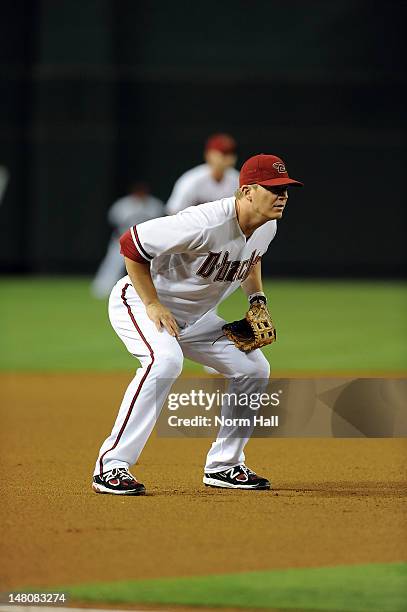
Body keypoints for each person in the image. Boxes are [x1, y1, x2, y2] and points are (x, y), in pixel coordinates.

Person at [92, 154, 303, 495]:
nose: (283, 196)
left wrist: (257, 299)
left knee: (253, 369)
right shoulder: (204, 222)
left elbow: (252, 260)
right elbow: (131, 243)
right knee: (165, 362)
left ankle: (224, 465)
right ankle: (111, 466)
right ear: (247, 191)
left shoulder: (268, 225)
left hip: (196, 319)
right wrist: (152, 303)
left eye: (286, 189)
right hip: (140, 304)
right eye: (274, 188)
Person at [91, 182, 164, 298]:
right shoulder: (123, 204)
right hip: (123, 239)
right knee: (113, 264)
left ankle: (157, 290)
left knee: (155, 265)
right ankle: (102, 288)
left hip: (146, 241)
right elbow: (114, 222)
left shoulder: (154, 204)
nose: (140, 194)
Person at [166, 133, 239, 214]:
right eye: (224, 154)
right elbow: (173, 212)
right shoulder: (192, 180)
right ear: (209, 155)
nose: (229, 158)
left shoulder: (237, 180)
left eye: (231, 154)